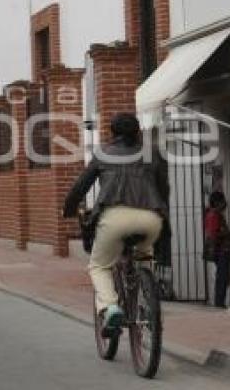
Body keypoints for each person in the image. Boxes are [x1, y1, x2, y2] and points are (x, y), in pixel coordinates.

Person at [63, 113, 168, 331]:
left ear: (113, 133)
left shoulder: (104, 154)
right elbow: (163, 188)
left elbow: (81, 186)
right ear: (138, 132)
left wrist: (69, 209)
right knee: (143, 255)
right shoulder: (153, 153)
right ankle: (146, 297)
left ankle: (111, 307)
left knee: (99, 266)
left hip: (115, 218)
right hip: (151, 218)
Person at [204, 191, 230, 308]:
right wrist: (226, 234)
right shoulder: (214, 215)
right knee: (222, 277)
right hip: (220, 250)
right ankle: (219, 302)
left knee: (223, 276)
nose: (225, 203)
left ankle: (219, 301)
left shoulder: (214, 214)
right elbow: (213, 234)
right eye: (222, 201)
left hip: (219, 249)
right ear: (217, 202)